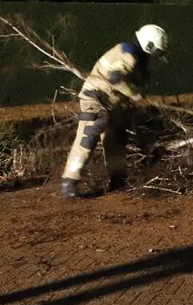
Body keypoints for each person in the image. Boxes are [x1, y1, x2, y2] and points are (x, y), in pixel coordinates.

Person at [60, 24, 168, 198]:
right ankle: (69, 182)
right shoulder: (128, 55)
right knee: (89, 134)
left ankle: (118, 180)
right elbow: (116, 79)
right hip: (95, 98)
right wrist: (136, 95)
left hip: (112, 102)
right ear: (149, 45)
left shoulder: (135, 54)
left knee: (116, 138)